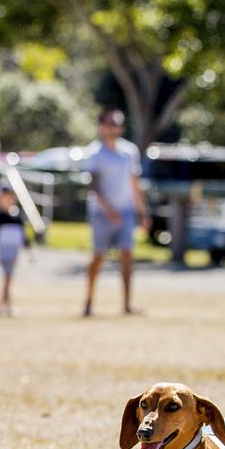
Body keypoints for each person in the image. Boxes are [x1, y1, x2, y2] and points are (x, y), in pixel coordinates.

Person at [83, 109, 149, 317]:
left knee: (127, 255)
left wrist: (143, 211)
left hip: (126, 211)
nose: (114, 128)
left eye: (117, 124)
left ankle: (127, 304)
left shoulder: (129, 151)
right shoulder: (95, 152)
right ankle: (89, 301)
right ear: (101, 126)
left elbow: (134, 183)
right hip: (102, 213)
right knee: (99, 256)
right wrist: (109, 211)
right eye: (110, 124)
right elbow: (94, 186)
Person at [0, 186, 31, 316]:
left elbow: (24, 236)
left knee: (8, 279)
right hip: (4, 252)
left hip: (14, 252)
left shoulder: (17, 217)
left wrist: (29, 251)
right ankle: (7, 306)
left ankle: (3, 305)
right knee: (7, 279)